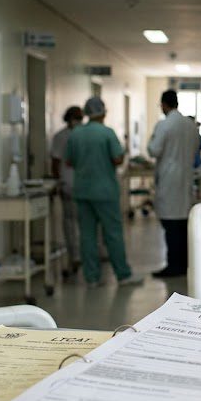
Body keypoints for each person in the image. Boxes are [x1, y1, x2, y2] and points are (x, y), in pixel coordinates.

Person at [65, 97, 141, 288]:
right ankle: (122, 275)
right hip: (105, 192)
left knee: (87, 235)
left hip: (83, 191)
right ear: (103, 113)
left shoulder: (76, 134)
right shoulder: (107, 133)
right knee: (112, 233)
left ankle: (91, 277)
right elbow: (117, 159)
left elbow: (69, 161)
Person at [148, 90, 200, 278]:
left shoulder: (164, 125)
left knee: (170, 224)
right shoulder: (190, 125)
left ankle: (173, 265)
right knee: (183, 224)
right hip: (185, 177)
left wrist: (151, 141)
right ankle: (184, 263)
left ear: (164, 104)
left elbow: (154, 150)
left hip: (169, 179)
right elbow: (196, 148)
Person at [49, 105, 83, 275]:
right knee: (70, 223)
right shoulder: (60, 137)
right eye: (76, 117)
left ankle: (84, 255)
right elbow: (55, 163)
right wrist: (58, 183)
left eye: (80, 117)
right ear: (68, 118)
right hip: (68, 184)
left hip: (84, 185)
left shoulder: (84, 135)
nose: (78, 121)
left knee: (84, 223)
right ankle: (74, 256)